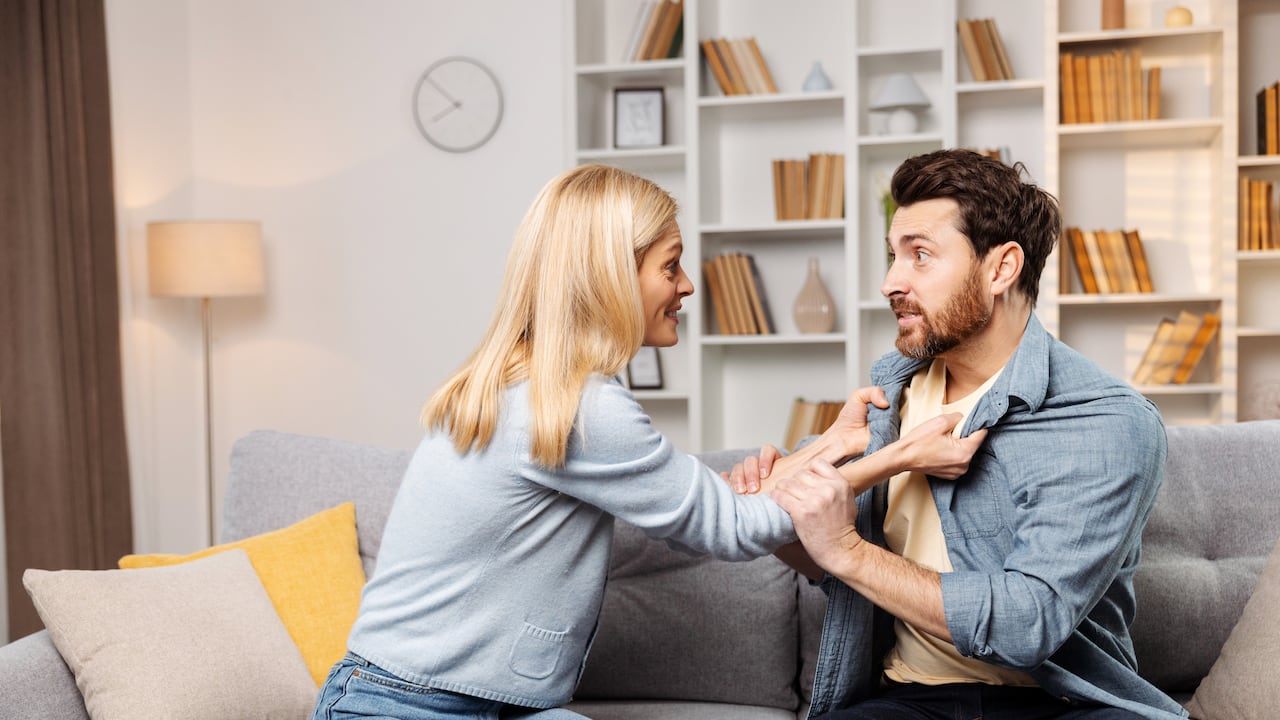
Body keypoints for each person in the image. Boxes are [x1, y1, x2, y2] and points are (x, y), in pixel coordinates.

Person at [309, 163, 983, 720]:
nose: (687, 285)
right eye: (671, 267)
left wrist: (834, 443)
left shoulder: (537, 385)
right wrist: (897, 456)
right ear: (612, 275)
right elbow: (730, 530)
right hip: (404, 705)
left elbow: (694, 496)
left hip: (468, 699)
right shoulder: (580, 406)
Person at [739, 149, 1184, 719]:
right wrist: (784, 518)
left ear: (1000, 269)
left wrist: (849, 551)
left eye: (920, 255)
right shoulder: (889, 393)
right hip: (909, 701)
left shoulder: (1106, 421)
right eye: (893, 256)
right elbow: (819, 555)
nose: (889, 283)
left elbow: (1027, 625)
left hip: (1063, 703)